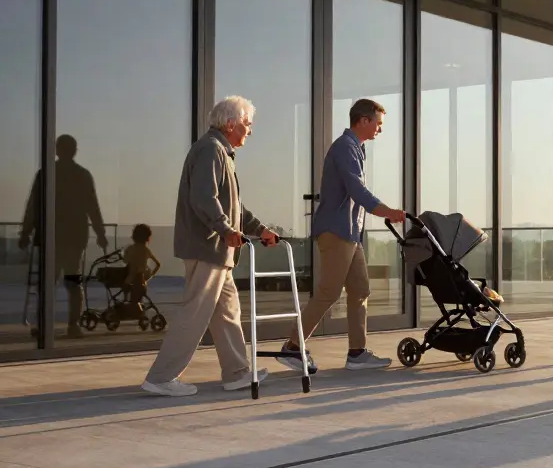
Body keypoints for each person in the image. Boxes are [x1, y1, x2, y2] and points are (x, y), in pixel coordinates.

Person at [140, 96, 278, 397]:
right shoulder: (210, 150)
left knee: (227, 311)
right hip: (207, 248)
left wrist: (260, 229)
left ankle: (237, 373)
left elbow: (235, 206)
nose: (249, 131)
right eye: (247, 124)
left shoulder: (221, 152)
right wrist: (226, 230)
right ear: (231, 124)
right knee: (195, 313)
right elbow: (204, 198)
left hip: (219, 249)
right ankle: (162, 377)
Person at [284, 98, 406, 372]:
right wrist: (387, 211)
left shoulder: (356, 148)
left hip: (350, 233)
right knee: (328, 292)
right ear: (363, 120)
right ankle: (292, 347)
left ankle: (357, 353)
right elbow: (357, 190)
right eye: (378, 123)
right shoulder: (345, 148)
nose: (380, 129)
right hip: (337, 231)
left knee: (360, 289)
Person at [19, 134, 107, 339]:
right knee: (73, 282)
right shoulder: (82, 175)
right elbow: (92, 207)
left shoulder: (46, 174)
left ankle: (45, 326)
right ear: (74, 150)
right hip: (74, 238)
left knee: (48, 284)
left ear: (57, 150)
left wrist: (25, 232)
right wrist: (100, 234)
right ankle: (73, 325)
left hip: (51, 238)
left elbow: (33, 206)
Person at [122, 224, 161, 304]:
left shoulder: (130, 249)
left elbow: (125, 261)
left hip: (129, 281)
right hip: (142, 280)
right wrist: (150, 276)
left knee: (130, 302)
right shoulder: (146, 250)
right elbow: (158, 264)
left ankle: (125, 299)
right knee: (138, 303)